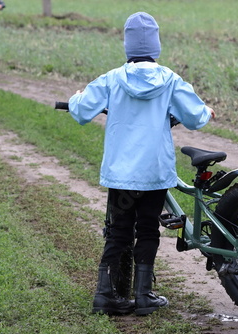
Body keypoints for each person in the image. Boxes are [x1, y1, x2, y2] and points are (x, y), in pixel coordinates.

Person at [68, 12, 215, 316]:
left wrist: (76, 97)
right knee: (148, 229)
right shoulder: (170, 79)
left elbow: (82, 112)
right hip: (154, 173)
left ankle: (104, 295)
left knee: (119, 231)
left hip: (122, 175)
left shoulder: (111, 79)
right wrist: (206, 111)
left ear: (127, 45)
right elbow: (194, 117)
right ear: (156, 45)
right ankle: (144, 296)